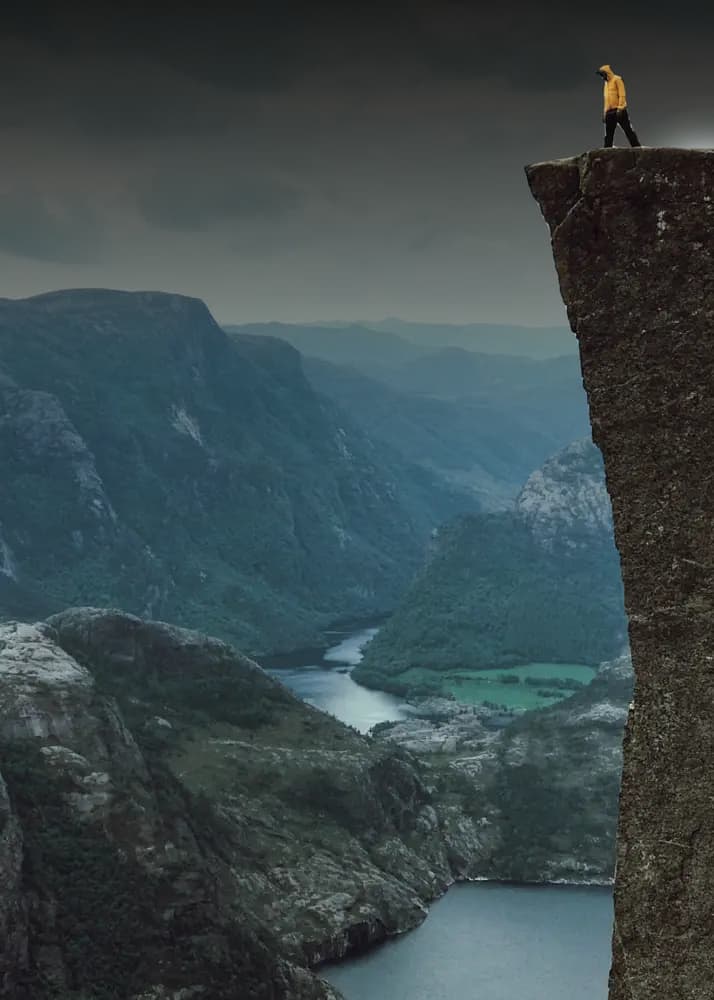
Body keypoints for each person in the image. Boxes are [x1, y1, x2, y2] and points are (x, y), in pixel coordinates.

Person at [596, 64, 642, 148]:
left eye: (602, 74)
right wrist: (605, 113)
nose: (602, 77)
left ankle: (637, 147)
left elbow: (622, 95)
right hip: (610, 112)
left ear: (607, 73)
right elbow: (606, 100)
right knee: (608, 133)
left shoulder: (617, 79)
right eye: (601, 75)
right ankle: (607, 149)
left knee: (628, 130)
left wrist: (620, 108)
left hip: (619, 110)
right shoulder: (606, 84)